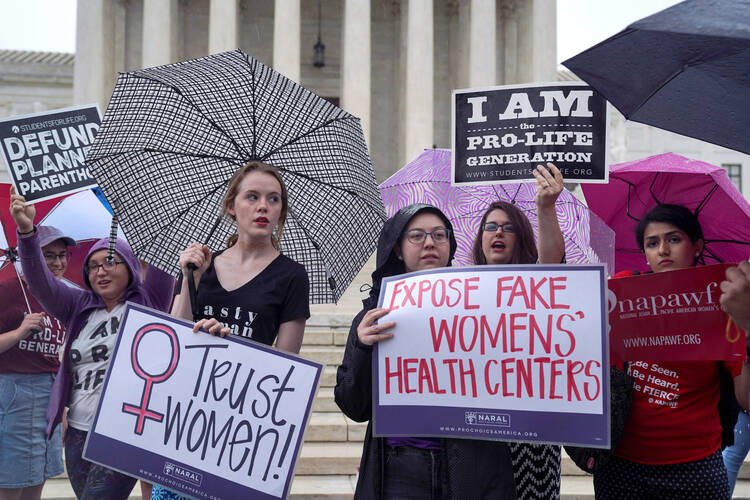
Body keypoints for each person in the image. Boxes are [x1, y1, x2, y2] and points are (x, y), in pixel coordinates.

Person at [150, 161, 309, 500]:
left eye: (274, 199)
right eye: (252, 197)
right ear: (231, 207)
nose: (263, 206)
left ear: (281, 211)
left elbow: (286, 367)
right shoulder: (199, 264)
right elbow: (173, 340)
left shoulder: (293, 276)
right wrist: (190, 279)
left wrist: (232, 346)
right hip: (187, 417)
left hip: (242, 427)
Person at [335, 203, 517, 499]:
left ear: (450, 245)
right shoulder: (374, 315)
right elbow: (353, 407)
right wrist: (362, 348)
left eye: (439, 235)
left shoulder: (484, 306)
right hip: (399, 469)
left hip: (471, 467)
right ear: (397, 248)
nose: (430, 242)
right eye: (417, 235)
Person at [10, 188, 175, 500]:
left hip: (124, 431)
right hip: (78, 431)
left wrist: (151, 210)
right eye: (93, 265)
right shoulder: (78, 306)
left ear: (130, 266)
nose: (101, 270)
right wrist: (26, 232)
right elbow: (39, 281)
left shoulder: (149, 300)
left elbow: (164, 255)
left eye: (111, 261)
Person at [593, 203, 745, 500]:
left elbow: (745, 398)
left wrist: (747, 327)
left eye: (673, 239)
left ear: (697, 246)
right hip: (622, 464)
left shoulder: (724, 304)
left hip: (697, 466)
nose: (663, 250)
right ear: (645, 254)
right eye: (652, 243)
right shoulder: (619, 291)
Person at [470, 163, 565, 500]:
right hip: (475, 434)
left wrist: (545, 206)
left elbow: (552, 265)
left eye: (507, 228)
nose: (497, 232)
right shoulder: (457, 292)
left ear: (521, 237)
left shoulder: (535, 285)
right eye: (490, 226)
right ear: (480, 237)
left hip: (528, 441)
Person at [0, 225, 74, 500]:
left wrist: (62, 408)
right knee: (10, 481)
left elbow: (57, 357)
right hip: (14, 394)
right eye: (48, 255)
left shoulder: (61, 295)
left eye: (62, 255)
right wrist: (18, 333)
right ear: (30, 257)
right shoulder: (7, 291)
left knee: (38, 477)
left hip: (49, 395)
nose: (57, 263)